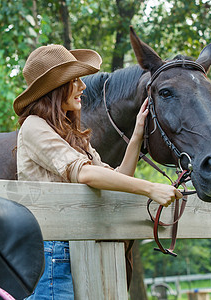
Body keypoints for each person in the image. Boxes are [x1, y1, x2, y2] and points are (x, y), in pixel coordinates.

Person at [13, 44, 182, 299]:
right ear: (56, 87)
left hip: (82, 245)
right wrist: (151, 188)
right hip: (54, 251)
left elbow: (116, 177)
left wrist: (137, 133)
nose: (82, 86)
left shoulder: (71, 136)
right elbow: (85, 174)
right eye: (75, 80)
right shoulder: (34, 127)